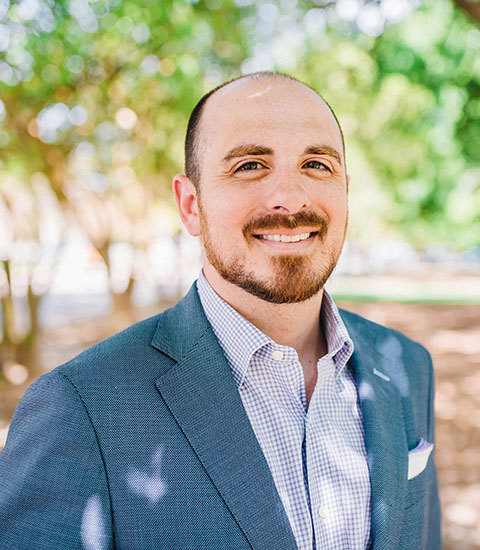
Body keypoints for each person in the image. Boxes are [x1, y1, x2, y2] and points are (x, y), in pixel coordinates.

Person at [0, 72, 441, 550]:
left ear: (346, 192)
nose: (291, 198)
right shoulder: (79, 408)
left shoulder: (407, 365)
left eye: (316, 164)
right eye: (250, 165)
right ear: (190, 205)